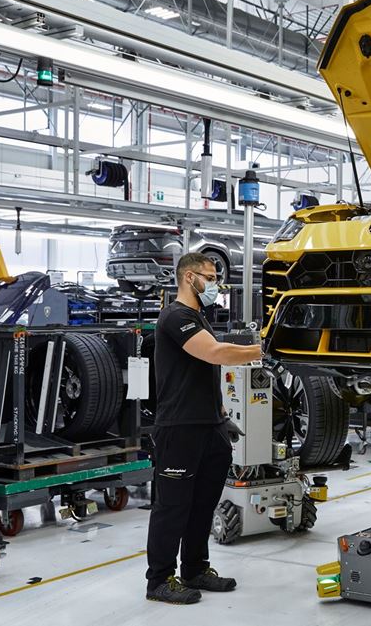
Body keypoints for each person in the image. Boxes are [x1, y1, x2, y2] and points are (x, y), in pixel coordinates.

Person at [145, 252, 263, 604]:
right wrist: (262, 349)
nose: (214, 284)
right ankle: (159, 581)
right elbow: (213, 354)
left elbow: (203, 376)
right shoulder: (176, 316)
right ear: (188, 277)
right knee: (172, 507)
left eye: (215, 278)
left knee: (202, 505)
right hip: (179, 428)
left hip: (210, 426)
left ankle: (195, 568)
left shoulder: (197, 317)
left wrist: (221, 413)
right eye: (209, 278)